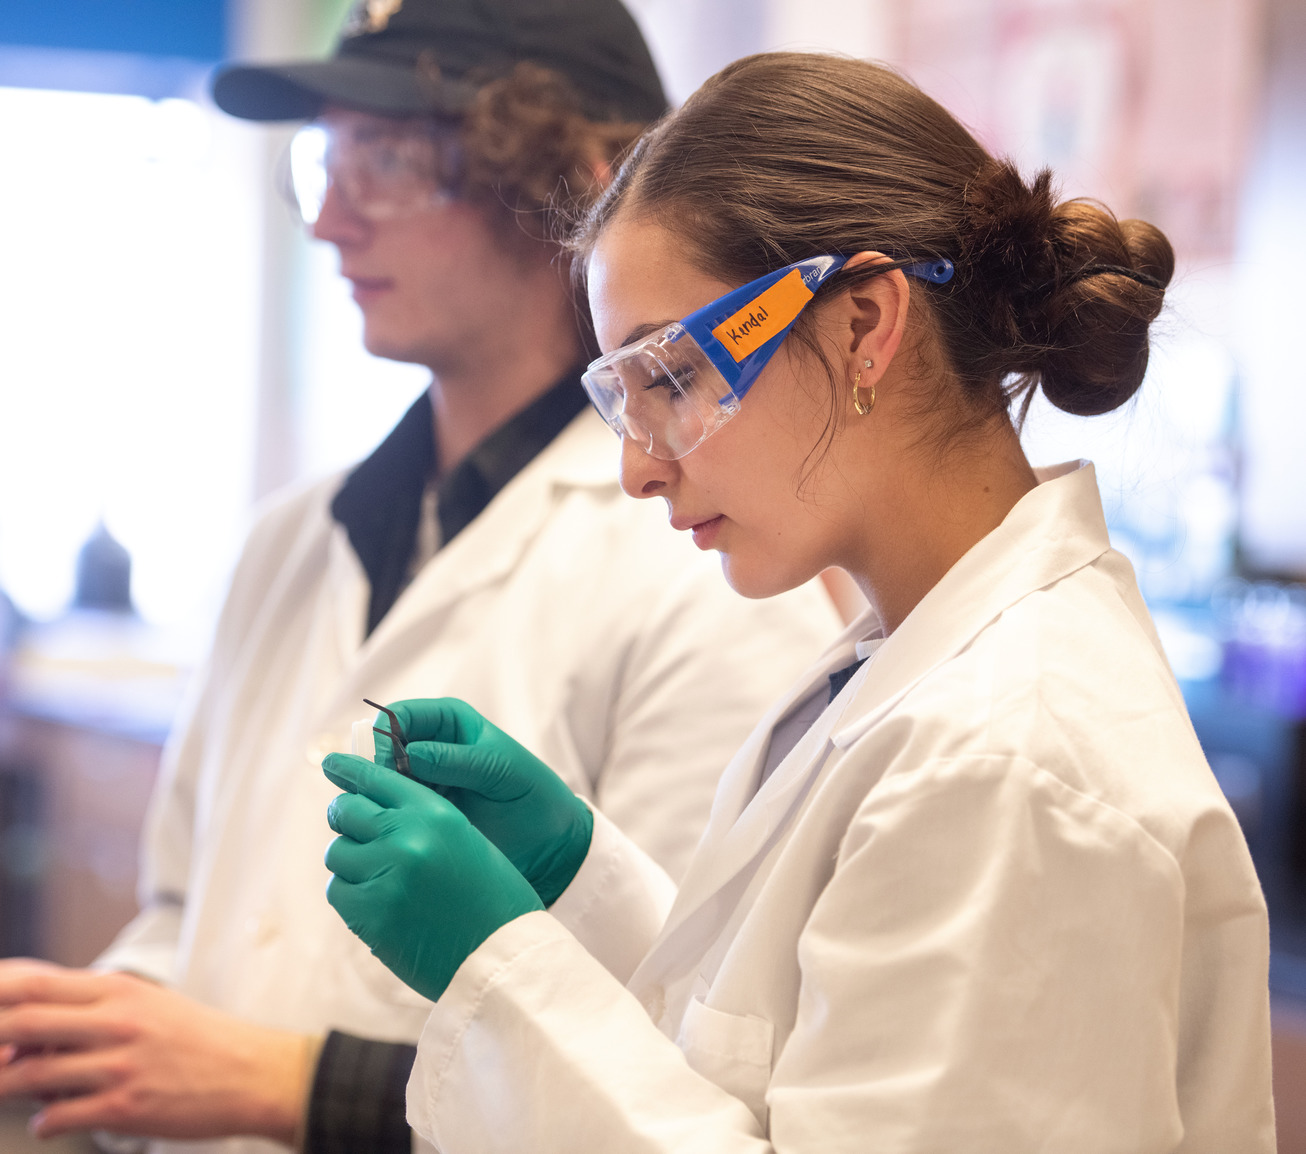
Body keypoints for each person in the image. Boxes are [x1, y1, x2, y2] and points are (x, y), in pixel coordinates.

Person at [318, 51, 1277, 1153]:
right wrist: (576, 881)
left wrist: (497, 967)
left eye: (670, 378)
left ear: (865, 321)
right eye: (620, 397)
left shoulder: (1007, 763)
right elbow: (779, 1061)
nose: (637, 466)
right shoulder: (907, 670)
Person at [0, 7, 841, 1152]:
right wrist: (82, 1037)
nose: (331, 220)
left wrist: (291, 1081)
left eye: (388, 162)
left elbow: (686, 1073)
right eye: (326, 161)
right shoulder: (289, 540)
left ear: (579, 192)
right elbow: (192, 921)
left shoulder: (718, 560)